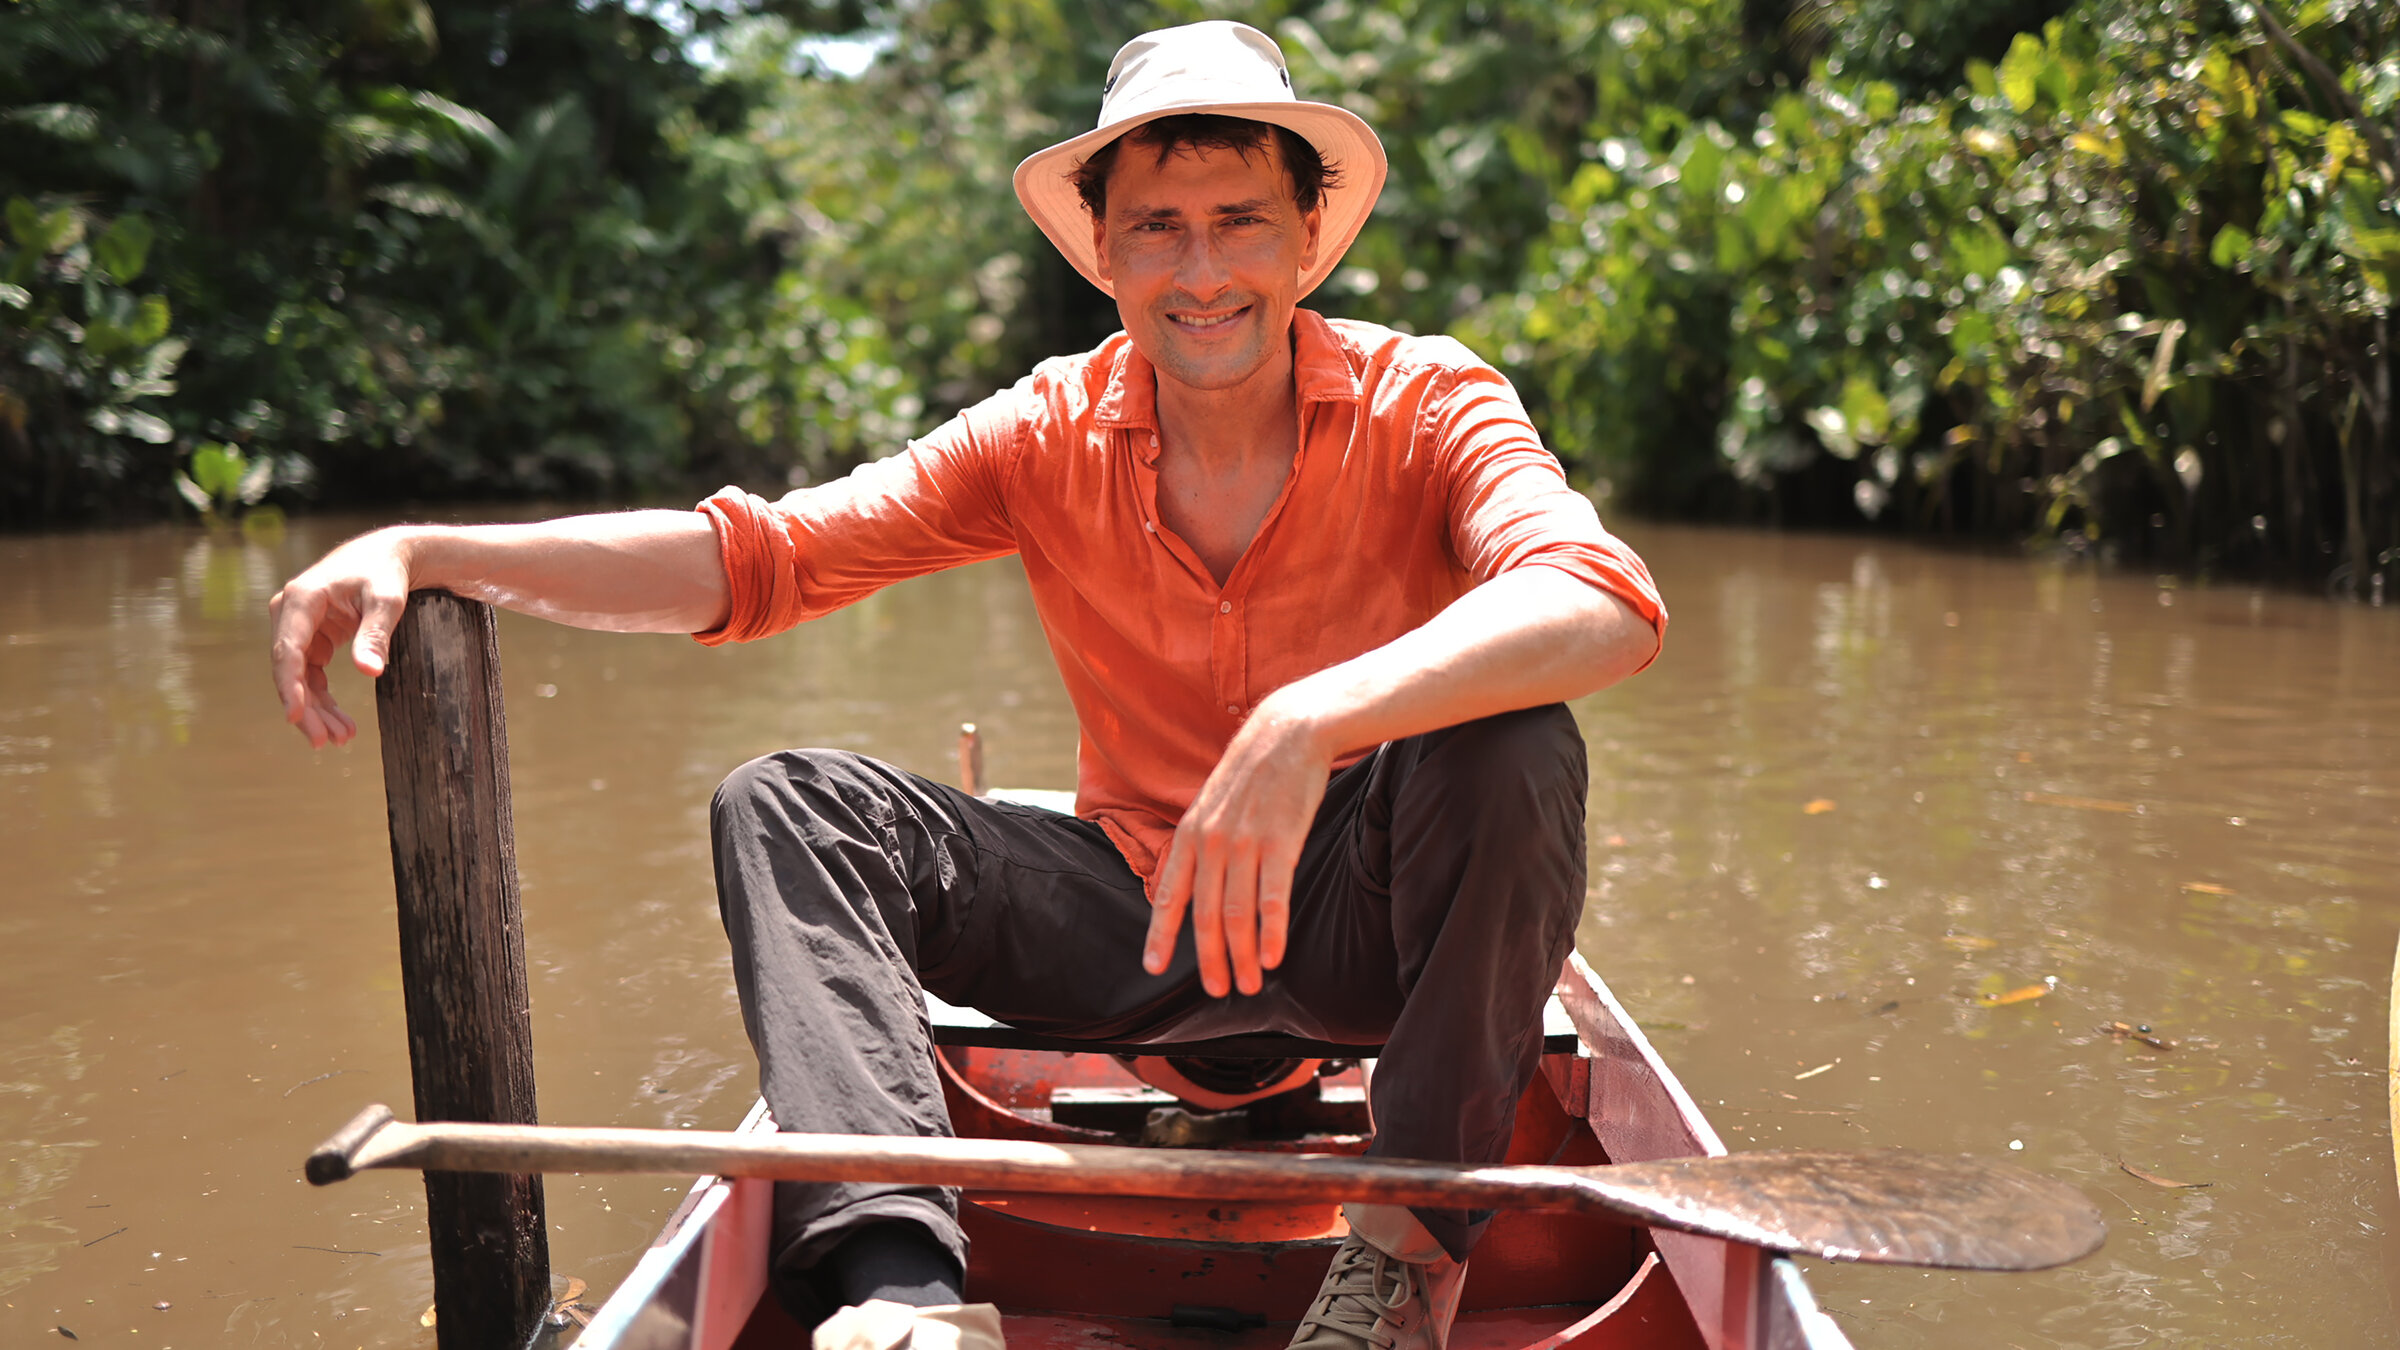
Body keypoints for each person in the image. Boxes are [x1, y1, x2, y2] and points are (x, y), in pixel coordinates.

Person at [267, 20, 1665, 1350]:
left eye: (1240, 219)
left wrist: (1315, 721)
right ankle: (904, 1294)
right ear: (1103, 250)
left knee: (1513, 739)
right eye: (1158, 228)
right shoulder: (1042, 429)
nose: (1202, 270)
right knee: (788, 803)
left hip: (1365, 913)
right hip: (1134, 917)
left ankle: (1407, 1255)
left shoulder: (1427, 401)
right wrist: (433, 544)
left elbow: (1599, 598)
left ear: (1309, 237)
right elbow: (762, 556)